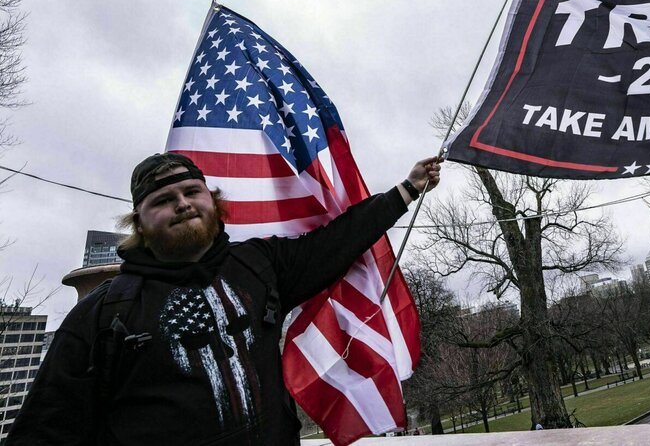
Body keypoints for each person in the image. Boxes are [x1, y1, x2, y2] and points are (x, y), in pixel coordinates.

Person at [7, 152, 442, 445]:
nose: (181, 204)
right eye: (162, 200)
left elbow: (337, 242)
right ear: (139, 221)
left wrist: (406, 189)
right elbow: (46, 428)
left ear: (213, 203)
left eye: (191, 192)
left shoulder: (259, 265)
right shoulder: (104, 313)